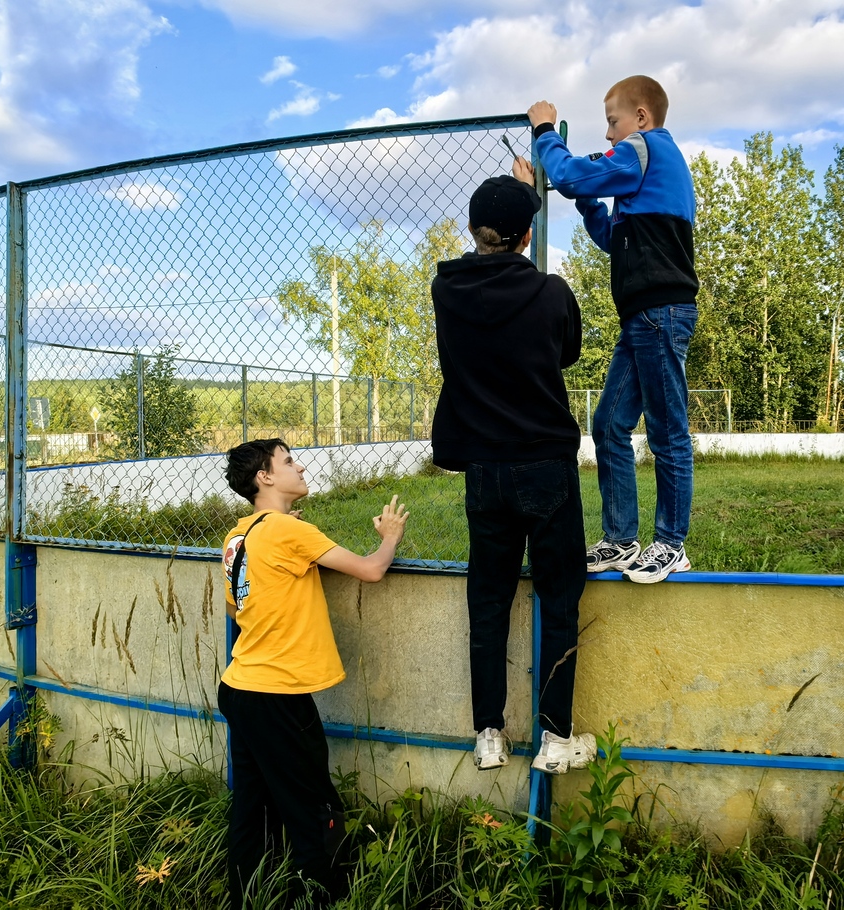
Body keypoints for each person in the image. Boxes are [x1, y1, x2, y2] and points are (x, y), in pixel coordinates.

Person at [429, 174, 596, 776]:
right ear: (528, 236)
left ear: (473, 230)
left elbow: (489, 280)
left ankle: (489, 733)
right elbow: (566, 352)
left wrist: (518, 201)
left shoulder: (445, 291)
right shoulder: (551, 293)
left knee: (489, 598)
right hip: (545, 464)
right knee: (559, 596)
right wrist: (536, 192)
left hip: (485, 470)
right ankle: (556, 738)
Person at [523, 75, 699, 584]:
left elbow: (576, 174)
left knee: (668, 431)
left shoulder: (645, 148)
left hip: (661, 313)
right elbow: (608, 235)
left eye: (612, 122)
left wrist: (545, 132)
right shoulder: (643, 171)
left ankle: (671, 543)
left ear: (641, 118)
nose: (608, 135)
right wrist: (586, 199)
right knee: (608, 424)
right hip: (642, 318)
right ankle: (622, 539)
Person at [218, 438, 407, 908]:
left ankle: (246, 895)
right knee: (312, 808)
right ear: (264, 477)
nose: (299, 467)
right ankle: (322, 898)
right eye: (287, 461)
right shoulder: (287, 533)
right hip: (276, 694)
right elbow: (370, 571)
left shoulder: (240, 536)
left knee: (251, 808)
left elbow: (238, 604)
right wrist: (389, 537)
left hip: (240, 686)